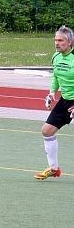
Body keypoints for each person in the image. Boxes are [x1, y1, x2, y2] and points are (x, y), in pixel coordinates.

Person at [37, 25, 74, 180]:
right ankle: (54, 168)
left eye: (61, 40)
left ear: (70, 42)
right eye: (55, 40)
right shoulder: (56, 57)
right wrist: (52, 93)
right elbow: (56, 76)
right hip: (65, 101)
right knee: (47, 131)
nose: (57, 43)